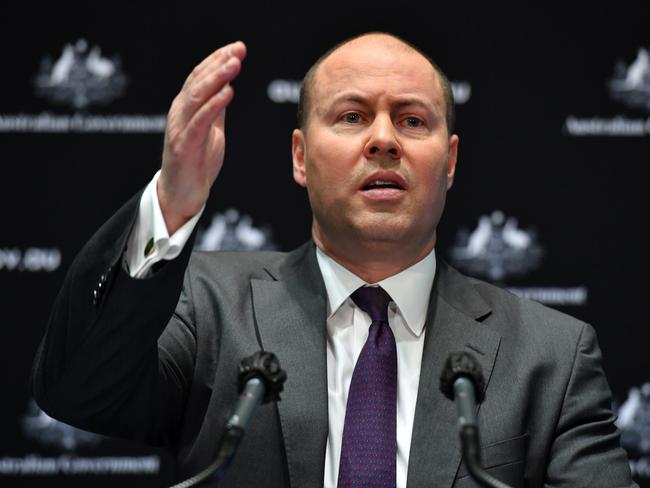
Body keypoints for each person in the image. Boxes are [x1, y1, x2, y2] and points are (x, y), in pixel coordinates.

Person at [32, 32, 636, 487]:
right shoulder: (209, 304)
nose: (382, 139)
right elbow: (77, 392)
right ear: (300, 157)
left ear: (449, 162)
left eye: (411, 120)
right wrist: (172, 202)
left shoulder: (551, 355)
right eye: (351, 117)